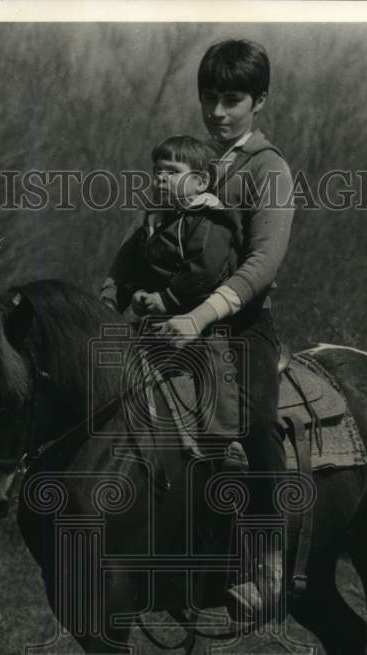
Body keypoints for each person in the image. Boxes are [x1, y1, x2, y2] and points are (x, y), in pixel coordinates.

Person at [108, 38, 295, 625]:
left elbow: (262, 263)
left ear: (259, 101)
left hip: (240, 328)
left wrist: (198, 315)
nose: (218, 112)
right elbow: (140, 247)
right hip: (172, 325)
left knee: (257, 424)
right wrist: (107, 299)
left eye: (233, 99)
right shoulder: (191, 165)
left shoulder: (269, 170)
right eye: (209, 98)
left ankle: (268, 565)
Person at [100, 134, 241, 319]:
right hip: (159, 316)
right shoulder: (154, 220)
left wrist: (168, 298)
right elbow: (131, 266)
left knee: (208, 347)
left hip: (203, 320)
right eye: (157, 171)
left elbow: (204, 272)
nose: (161, 178)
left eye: (173, 172)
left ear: (201, 182)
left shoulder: (208, 219)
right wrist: (134, 294)